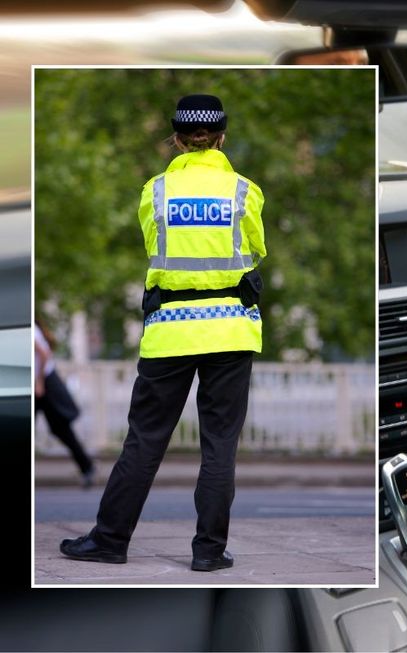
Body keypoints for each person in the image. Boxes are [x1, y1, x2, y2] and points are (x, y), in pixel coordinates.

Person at [60, 94, 266, 572]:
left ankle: (110, 540)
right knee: (219, 444)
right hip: (231, 331)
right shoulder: (244, 191)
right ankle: (209, 553)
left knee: (145, 440)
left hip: (170, 331)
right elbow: (258, 248)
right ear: (221, 137)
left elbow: (155, 248)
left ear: (175, 138)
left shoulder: (154, 192)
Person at [34, 320, 95, 489]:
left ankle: (87, 467)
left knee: (61, 428)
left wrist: (39, 382)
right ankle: (87, 466)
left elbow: (43, 353)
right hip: (40, 383)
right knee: (61, 429)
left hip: (43, 384)